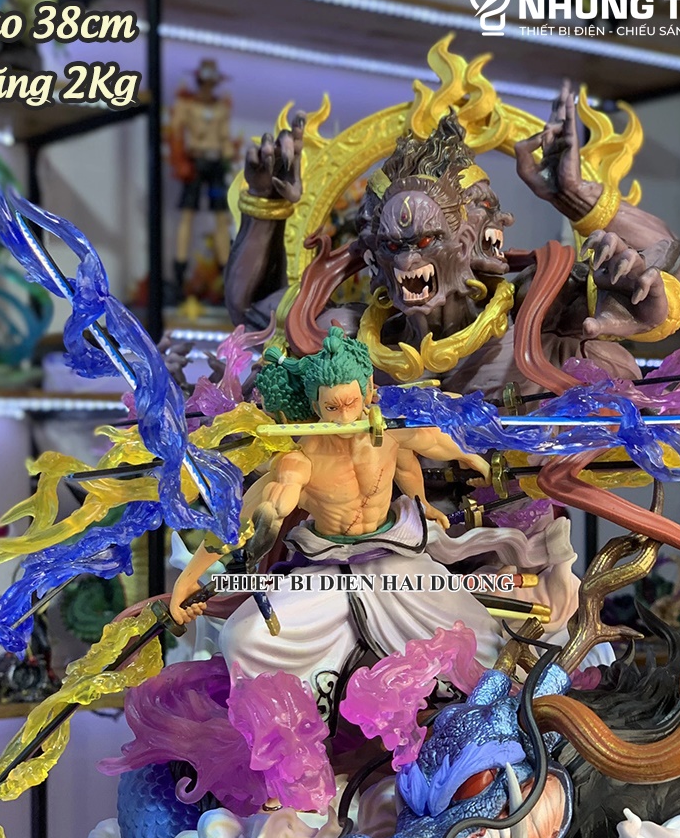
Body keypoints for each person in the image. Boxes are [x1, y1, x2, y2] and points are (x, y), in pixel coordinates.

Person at [169, 331, 580, 694]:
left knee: (480, 641)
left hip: (396, 558)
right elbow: (242, 517)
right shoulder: (298, 461)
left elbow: (425, 450)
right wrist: (193, 574)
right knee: (244, 639)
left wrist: (466, 466)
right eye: (332, 408)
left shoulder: (389, 432)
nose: (346, 417)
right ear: (315, 406)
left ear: (368, 390)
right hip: (327, 570)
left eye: (351, 403)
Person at [169, 58, 236, 297]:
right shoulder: (187, 105)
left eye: (212, 81)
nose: (208, 85)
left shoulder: (221, 108)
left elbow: (225, 138)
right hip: (195, 164)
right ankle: (179, 272)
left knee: (221, 216)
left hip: (216, 164)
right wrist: (180, 158)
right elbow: (176, 131)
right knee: (187, 214)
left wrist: (230, 157)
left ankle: (226, 274)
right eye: (205, 80)